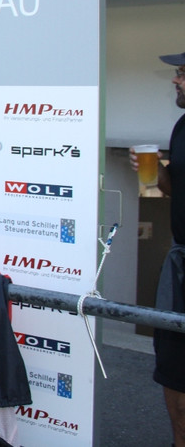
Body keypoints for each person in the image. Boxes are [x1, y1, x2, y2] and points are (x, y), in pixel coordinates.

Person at [131, 51, 185, 447]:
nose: (175, 80)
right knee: (173, 366)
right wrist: (157, 172)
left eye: (182, 73)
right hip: (180, 264)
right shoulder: (181, 126)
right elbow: (172, 191)